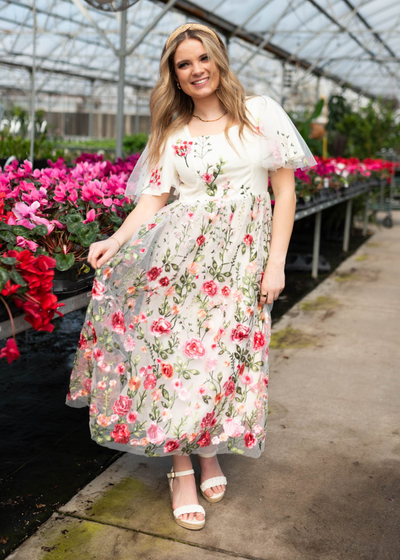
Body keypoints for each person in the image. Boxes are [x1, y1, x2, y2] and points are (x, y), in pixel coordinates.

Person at [66, 22, 316, 531]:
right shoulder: (173, 134)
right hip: (179, 263)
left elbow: (283, 193)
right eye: (184, 64)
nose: (196, 70)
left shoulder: (261, 113)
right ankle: (181, 467)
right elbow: (154, 199)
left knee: (224, 361)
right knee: (177, 360)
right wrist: (116, 240)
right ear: (175, 77)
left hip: (242, 264)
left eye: (202, 58)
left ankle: (207, 451)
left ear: (219, 60)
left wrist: (276, 263)